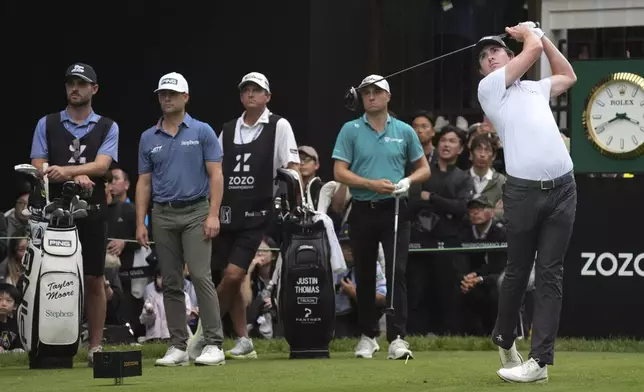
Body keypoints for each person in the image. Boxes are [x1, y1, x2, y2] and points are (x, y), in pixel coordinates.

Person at [476, 22, 577, 383]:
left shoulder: (534, 88)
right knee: (517, 271)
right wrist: (528, 33)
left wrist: (543, 37)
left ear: (508, 55)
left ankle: (539, 362)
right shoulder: (490, 89)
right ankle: (504, 336)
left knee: (550, 273)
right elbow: (531, 52)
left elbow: (568, 75)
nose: (490, 57)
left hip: (563, 188)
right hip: (522, 193)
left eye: (496, 51)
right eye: (484, 56)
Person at [188, 71, 300, 360]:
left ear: (267, 96)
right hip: (226, 212)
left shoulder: (279, 125)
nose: (250, 94)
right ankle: (243, 339)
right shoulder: (227, 128)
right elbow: (216, 170)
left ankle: (206, 334)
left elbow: (291, 166)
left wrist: (292, 203)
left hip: (258, 211)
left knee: (235, 273)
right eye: (246, 90)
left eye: (257, 90)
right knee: (229, 276)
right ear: (241, 96)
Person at [332, 74, 430, 360]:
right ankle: (368, 335)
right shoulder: (350, 130)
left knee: (396, 272)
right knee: (363, 273)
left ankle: (398, 337)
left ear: (388, 97)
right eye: (366, 93)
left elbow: (424, 168)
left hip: (395, 209)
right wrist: (369, 184)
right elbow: (340, 172)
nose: (371, 97)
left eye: (377, 92)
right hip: (363, 208)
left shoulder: (404, 131)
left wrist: (409, 182)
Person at [29, 63, 119, 367]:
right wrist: (70, 177)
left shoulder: (108, 126)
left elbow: (102, 166)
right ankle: (47, 345)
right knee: (50, 279)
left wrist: (67, 171)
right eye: (70, 83)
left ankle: (95, 346)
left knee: (94, 279)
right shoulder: (47, 123)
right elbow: (38, 165)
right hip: (53, 216)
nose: (74, 89)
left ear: (94, 89)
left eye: (81, 83)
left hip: (92, 212)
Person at [135, 72, 225, 367]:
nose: (167, 98)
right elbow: (144, 183)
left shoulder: (202, 131)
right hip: (162, 213)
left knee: (200, 276)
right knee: (171, 281)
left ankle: (214, 343)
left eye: (173, 93)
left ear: (185, 97)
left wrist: (213, 214)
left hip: (197, 210)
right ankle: (178, 345)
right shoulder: (149, 137)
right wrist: (140, 222)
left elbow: (216, 175)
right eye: (162, 94)